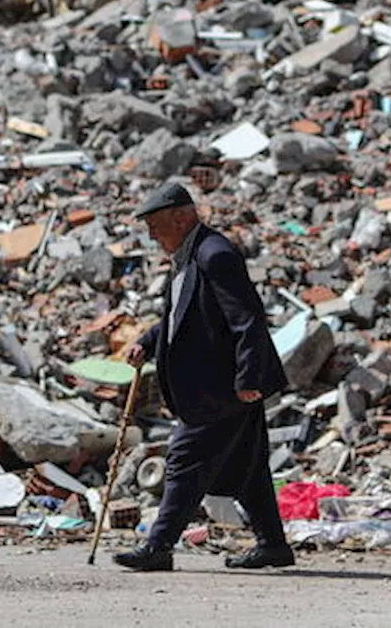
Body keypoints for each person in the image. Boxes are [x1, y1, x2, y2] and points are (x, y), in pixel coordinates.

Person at [113, 182, 295, 572]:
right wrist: (148, 341)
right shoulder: (188, 256)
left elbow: (247, 319)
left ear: (182, 217)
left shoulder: (215, 255)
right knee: (249, 468)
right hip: (217, 385)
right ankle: (273, 545)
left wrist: (249, 378)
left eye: (155, 225)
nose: (151, 235)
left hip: (222, 387)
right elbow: (183, 317)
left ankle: (158, 546)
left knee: (182, 460)